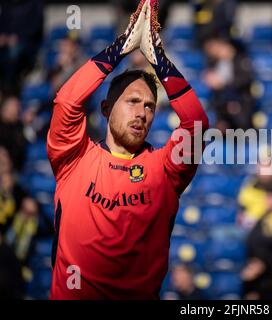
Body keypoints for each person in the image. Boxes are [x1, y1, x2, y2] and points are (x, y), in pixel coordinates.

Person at [47, 0, 209, 299]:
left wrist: (158, 59)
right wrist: (121, 48)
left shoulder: (165, 172)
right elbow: (67, 102)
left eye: (149, 106)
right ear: (106, 109)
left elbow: (196, 124)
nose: (142, 113)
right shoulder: (73, 159)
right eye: (132, 101)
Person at [203, 36, 254, 131]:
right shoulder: (215, 64)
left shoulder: (241, 61)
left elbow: (244, 81)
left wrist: (223, 83)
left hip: (241, 105)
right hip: (222, 108)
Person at [0, 96, 28, 170]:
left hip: (16, 169)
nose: (17, 110)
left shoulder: (19, 126)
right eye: (14, 106)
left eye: (18, 106)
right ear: (4, 109)